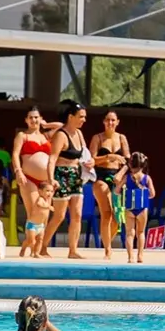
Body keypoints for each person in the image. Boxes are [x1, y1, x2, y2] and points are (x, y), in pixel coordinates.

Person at [43, 101, 92, 260]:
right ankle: (42, 246)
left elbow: (85, 155)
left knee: (77, 214)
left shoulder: (79, 134)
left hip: (76, 175)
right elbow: (52, 159)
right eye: (81, 117)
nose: (84, 120)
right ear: (71, 117)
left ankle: (73, 250)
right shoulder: (60, 135)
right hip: (61, 175)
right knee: (59, 215)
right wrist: (51, 180)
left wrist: (90, 163)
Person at [13, 107, 55, 258]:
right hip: (28, 178)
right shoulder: (22, 136)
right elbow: (15, 154)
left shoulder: (46, 136)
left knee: (44, 214)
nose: (34, 120)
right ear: (26, 120)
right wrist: (18, 171)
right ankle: (30, 245)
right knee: (34, 212)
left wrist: (47, 124)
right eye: (30, 118)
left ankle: (36, 249)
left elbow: (63, 127)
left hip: (45, 181)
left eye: (36, 117)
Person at [89, 111, 130, 260]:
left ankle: (107, 241)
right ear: (103, 121)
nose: (110, 123)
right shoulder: (98, 138)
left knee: (117, 218)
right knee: (106, 213)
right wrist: (109, 157)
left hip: (117, 177)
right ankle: (107, 250)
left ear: (117, 122)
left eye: (113, 120)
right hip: (101, 176)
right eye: (108, 120)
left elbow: (128, 160)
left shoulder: (121, 138)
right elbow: (91, 160)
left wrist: (121, 174)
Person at [121, 152, 155, 264]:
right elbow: (152, 194)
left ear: (130, 165)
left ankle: (130, 257)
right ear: (143, 165)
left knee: (129, 233)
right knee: (140, 232)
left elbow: (117, 190)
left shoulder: (127, 178)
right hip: (142, 208)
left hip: (129, 208)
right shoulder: (147, 178)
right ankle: (140, 256)